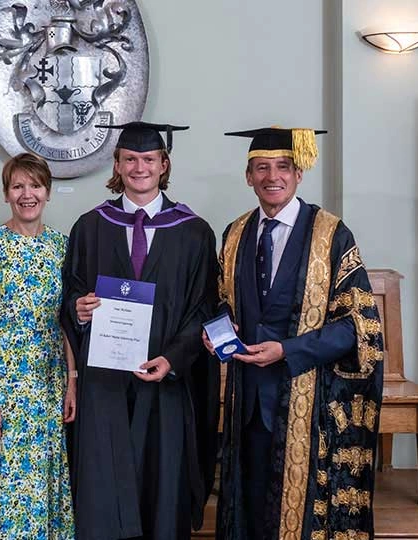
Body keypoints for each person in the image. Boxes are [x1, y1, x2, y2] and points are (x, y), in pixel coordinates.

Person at [212, 127, 384, 540]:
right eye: (262, 167)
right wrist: (219, 329)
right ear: (248, 175)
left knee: (298, 515)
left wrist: (287, 350)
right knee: (250, 508)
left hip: (308, 403)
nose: (273, 176)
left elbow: (359, 328)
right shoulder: (234, 234)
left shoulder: (331, 235)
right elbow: (221, 302)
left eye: (283, 167)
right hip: (247, 402)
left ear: (299, 173)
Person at [62, 122, 219, 540]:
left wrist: (173, 358)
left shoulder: (193, 231)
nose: (139, 167)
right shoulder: (90, 226)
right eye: (130, 159)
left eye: (149, 159)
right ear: (116, 164)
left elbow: (204, 307)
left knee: (161, 489)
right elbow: (71, 293)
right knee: (103, 489)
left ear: (164, 164)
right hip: (104, 384)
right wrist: (78, 309)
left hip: (164, 380)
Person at [0, 153, 76, 539]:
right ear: (7, 193)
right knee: (8, 486)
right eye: (18, 186)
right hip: (2, 387)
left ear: (48, 192)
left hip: (48, 384)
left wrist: (71, 382)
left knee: (44, 481)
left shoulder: (63, 249)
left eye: (35, 185)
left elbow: (68, 323)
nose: (28, 194)